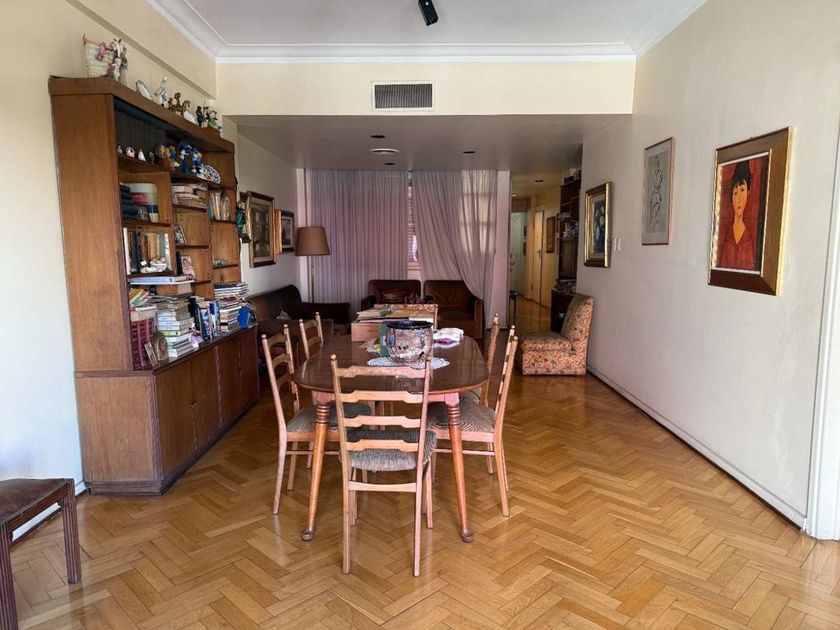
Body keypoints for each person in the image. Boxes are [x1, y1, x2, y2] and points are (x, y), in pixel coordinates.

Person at [718, 161, 756, 270]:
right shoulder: (728, 236)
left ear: (748, 193)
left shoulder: (748, 238)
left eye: (742, 190)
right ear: (731, 198)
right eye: (735, 193)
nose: (738, 199)